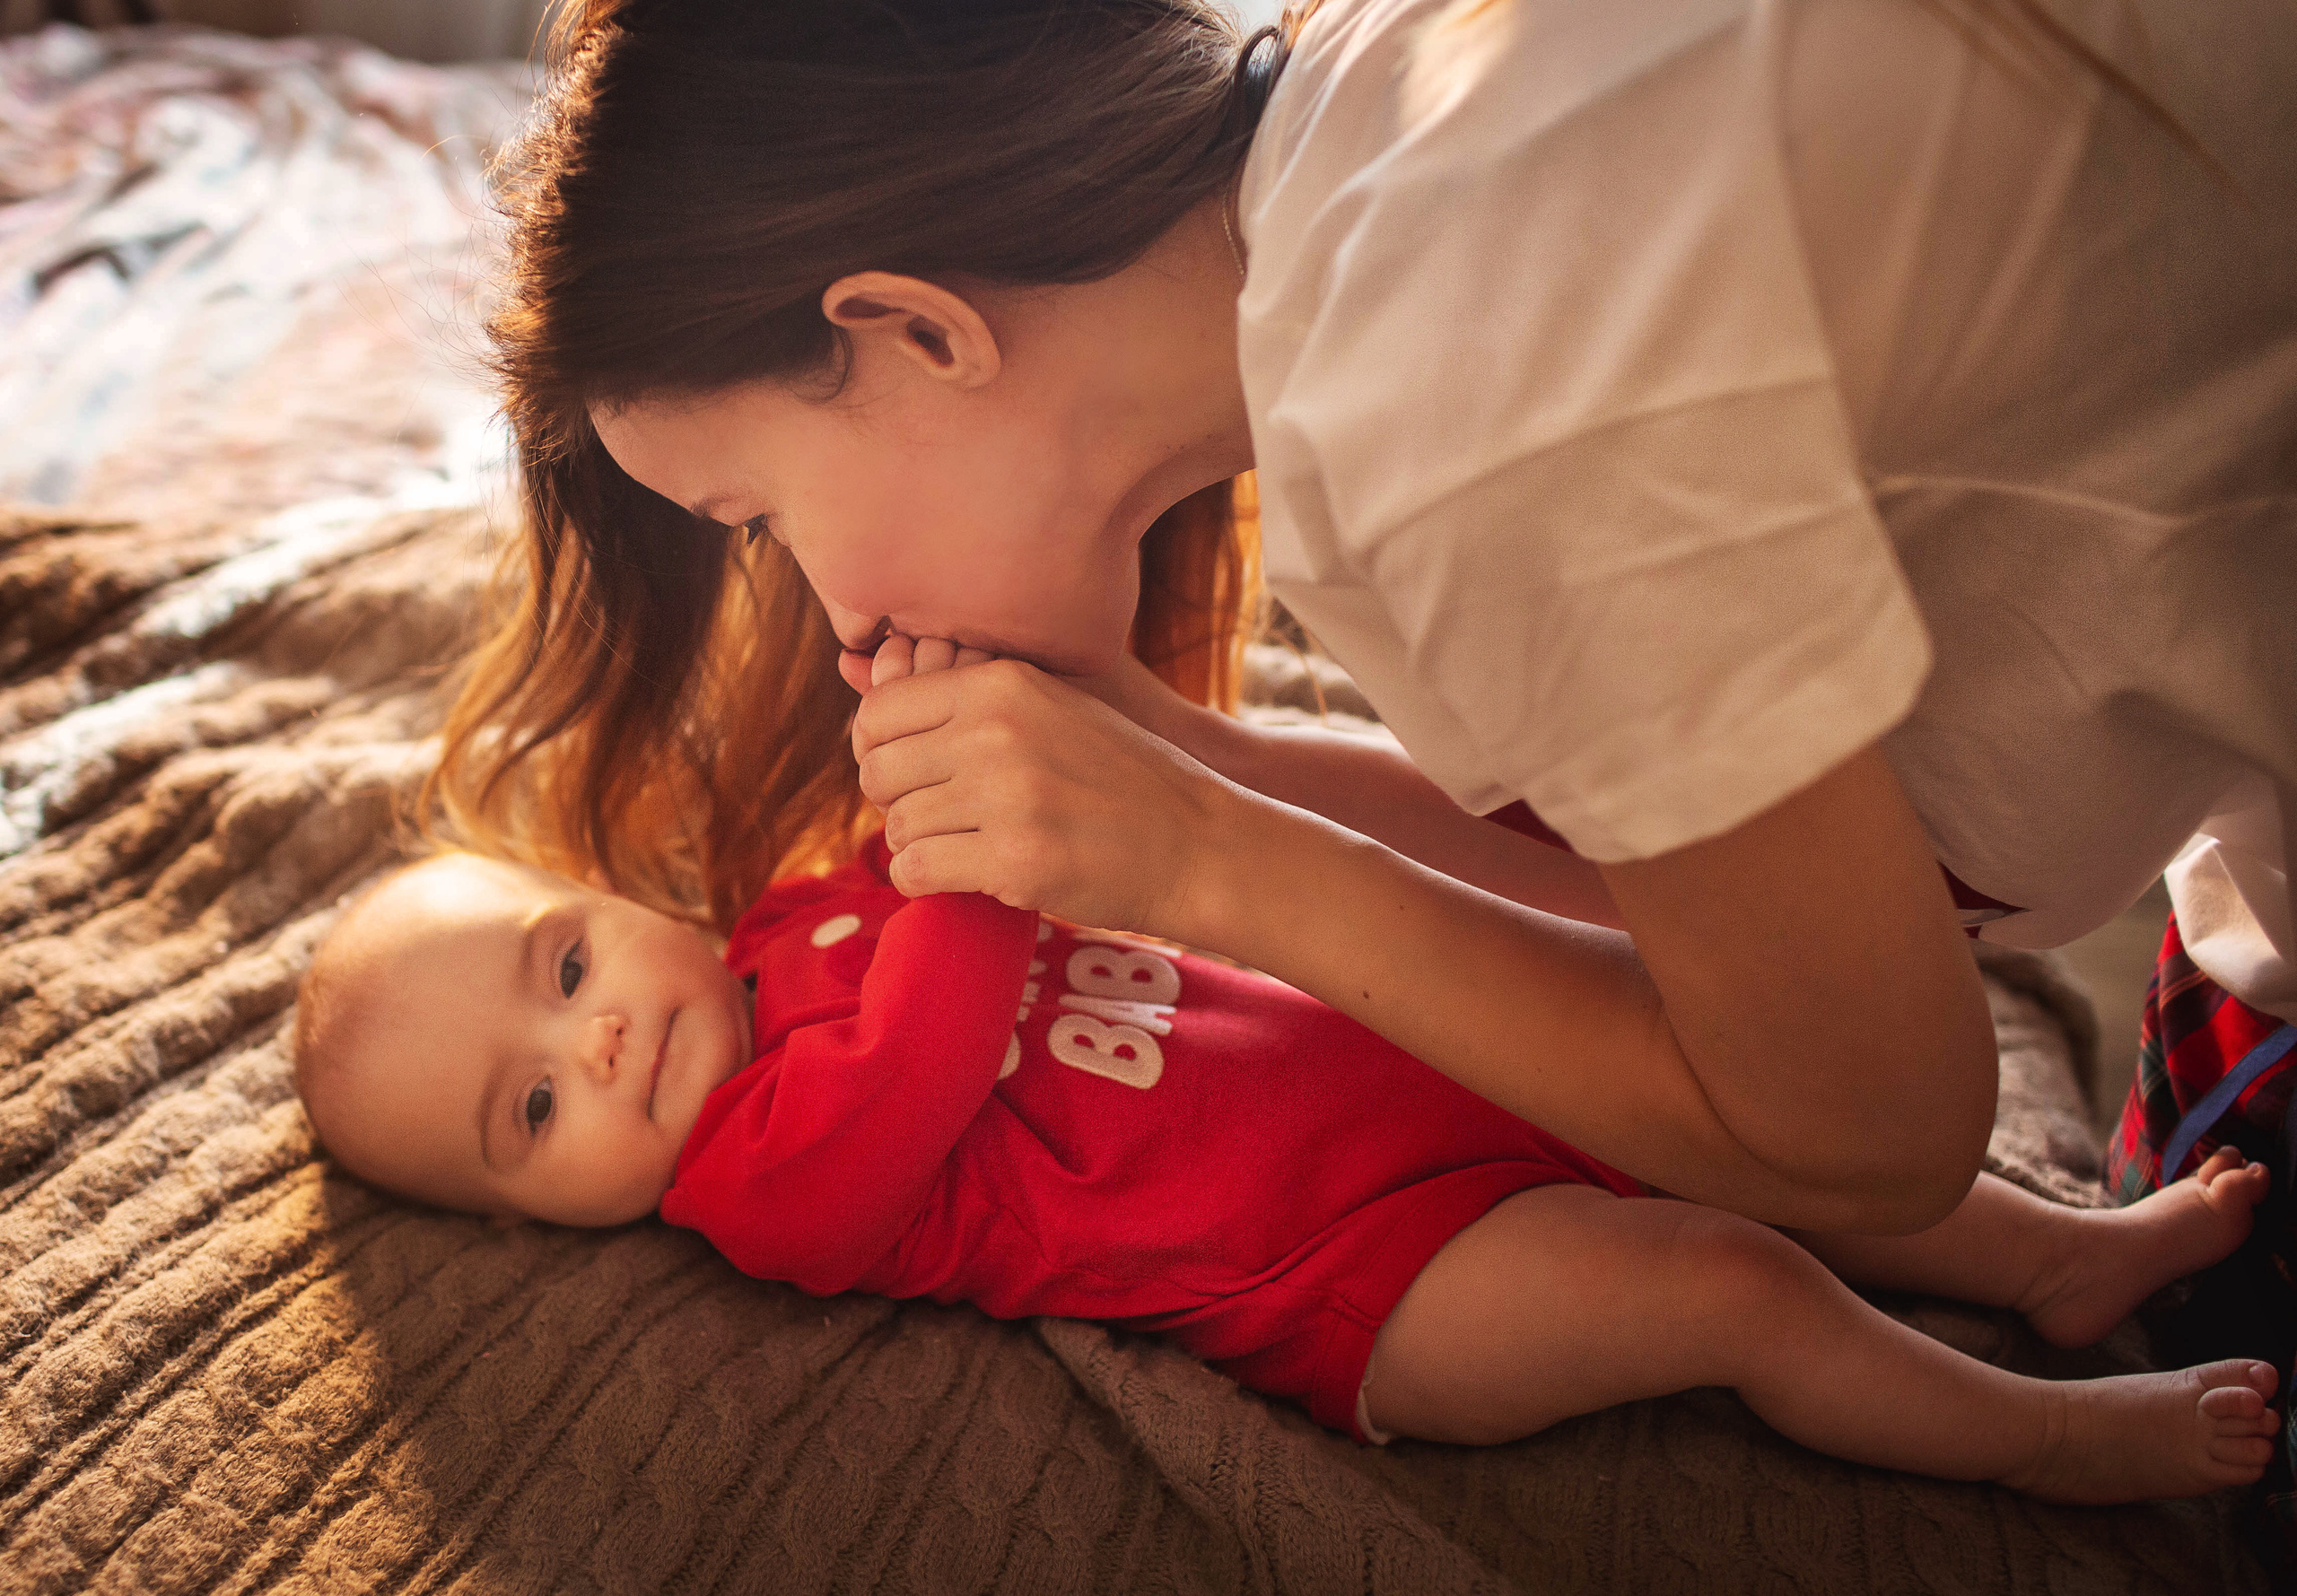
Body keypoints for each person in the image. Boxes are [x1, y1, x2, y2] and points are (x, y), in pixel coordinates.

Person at [430, 0, 2296, 1236]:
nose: (815, 605)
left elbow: (1873, 1121)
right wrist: (1193, 759)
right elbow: (1695, 891)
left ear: (915, 327)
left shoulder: (1445, 405)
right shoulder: (1375, 118)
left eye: (758, 522)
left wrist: (1214, 862)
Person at [291, 838, 2280, 1504]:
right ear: (533, 1215)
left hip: (1417, 1071)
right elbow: (948, 1015)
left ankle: (2046, 1255)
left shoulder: (798, 907)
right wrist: (978, 816)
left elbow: (951, 861)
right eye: (529, 1111)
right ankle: (2036, 1433)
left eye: (560, 964)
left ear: (611, 894)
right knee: (1719, 1283)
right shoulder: (755, 1178)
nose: (596, 1040)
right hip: (1357, 1276)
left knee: (1767, 1126)